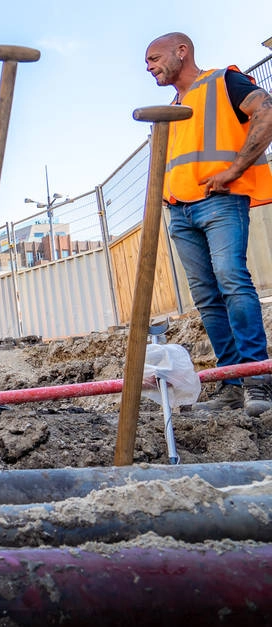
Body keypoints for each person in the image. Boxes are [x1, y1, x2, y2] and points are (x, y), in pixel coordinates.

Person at [144, 32, 272, 415]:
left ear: (181, 52)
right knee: (207, 299)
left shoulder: (223, 82)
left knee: (232, 280)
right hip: (179, 211)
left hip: (219, 202)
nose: (150, 67)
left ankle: (257, 381)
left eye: (154, 58)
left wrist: (234, 169)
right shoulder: (172, 108)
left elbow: (266, 112)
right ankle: (232, 386)